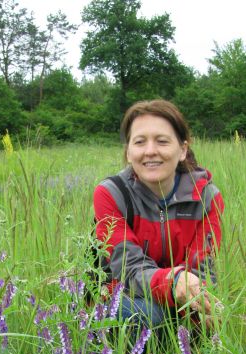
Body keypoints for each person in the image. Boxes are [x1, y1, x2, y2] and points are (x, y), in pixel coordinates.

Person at [93, 99, 224, 330]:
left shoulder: (207, 199)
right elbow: (128, 269)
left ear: (182, 150)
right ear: (129, 151)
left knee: (212, 320)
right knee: (150, 315)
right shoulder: (111, 194)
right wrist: (172, 282)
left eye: (162, 141)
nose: (150, 151)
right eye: (140, 142)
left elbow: (203, 268)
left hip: (181, 298)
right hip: (121, 295)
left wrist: (198, 307)